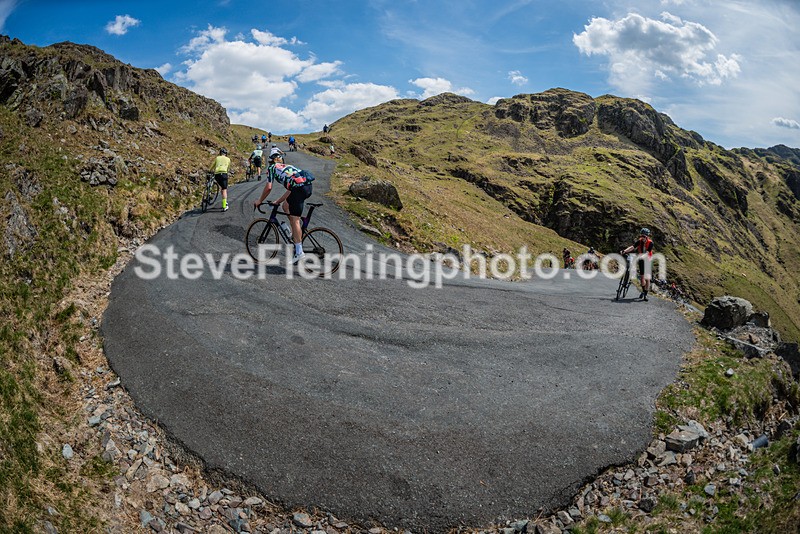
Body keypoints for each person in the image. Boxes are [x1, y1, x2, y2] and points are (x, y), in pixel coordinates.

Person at [253, 153, 315, 264]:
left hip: (299, 190)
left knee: (295, 219)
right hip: (307, 187)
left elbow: (268, 187)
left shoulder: (272, 168)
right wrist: (278, 201)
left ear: (271, 162)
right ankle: (294, 235)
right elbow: (291, 189)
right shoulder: (287, 167)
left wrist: (259, 200)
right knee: (285, 205)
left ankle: (299, 252)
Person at [621, 227, 654, 301]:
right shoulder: (639, 241)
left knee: (647, 279)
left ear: (647, 236)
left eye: (643, 236)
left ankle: (645, 294)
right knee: (642, 279)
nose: (642, 237)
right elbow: (632, 247)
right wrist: (625, 251)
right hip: (641, 261)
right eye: (641, 236)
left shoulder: (650, 243)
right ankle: (643, 291)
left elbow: (648, 252)